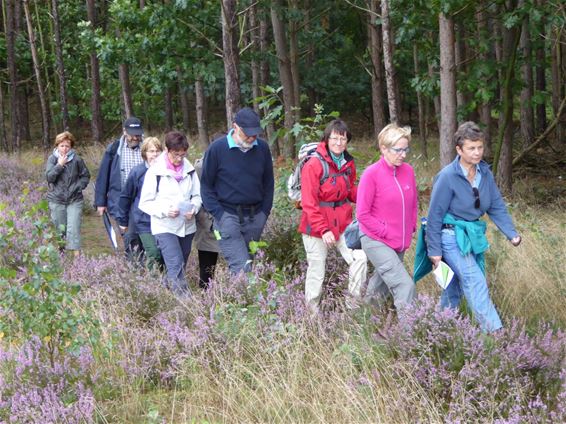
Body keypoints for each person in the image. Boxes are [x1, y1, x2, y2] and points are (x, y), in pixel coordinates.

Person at [426, 121, 521, 333]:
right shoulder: (448, 176)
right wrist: (434, 251)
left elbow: (496, 205)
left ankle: (437, 332)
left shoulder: (485, 173)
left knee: (453, 288)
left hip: (471, 236)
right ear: (459, 150)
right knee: (474, 280)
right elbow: (434, 216)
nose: (477, 152)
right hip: (450, 237)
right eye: (471, 148)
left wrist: (511, 234)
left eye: (480, 147)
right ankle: (495, 333)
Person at [298, 119, 367, 313]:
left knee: (359, 259)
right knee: (317, 272)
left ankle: (352, 308)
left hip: (344, 224)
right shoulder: (313, 165)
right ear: (327, 139)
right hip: (316, 228)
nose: (338, 143)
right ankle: (312, 316)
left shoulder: (347, 162)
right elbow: (309, 204)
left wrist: (368, 197)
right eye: (335, 138)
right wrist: (324, 229)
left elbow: (350, 190)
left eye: (343, 139)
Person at [200, 107, 274, 275]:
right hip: (227, 216)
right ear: (235, 127)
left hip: (255, 217)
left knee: (248, 262)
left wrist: (264, 213)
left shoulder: (262, 148)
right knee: (242, 267)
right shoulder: (217, 149)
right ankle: (247, 300)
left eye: (255, 133)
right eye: (247, 133)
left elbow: (268, 183)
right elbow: (206, 186)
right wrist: (220, 216)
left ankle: (237, 298)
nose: (252, 137)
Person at [357, 123, 418, 310]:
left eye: (405, 149)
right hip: (375, 239)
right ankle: (409, 335)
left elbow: (413, 203)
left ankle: (363, 323)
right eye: (398, 150)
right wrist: (385, 230)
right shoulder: (371, 174)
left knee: (380, 286)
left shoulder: (408, 171)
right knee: (405, 285)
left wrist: (411, 227)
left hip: (399, 240)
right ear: (383, 148)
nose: (403, 154)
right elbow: (362, 214)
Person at [138, 131, 201, 295]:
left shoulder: (190, 169)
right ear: (167, 150)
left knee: (180, 265)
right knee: (175, 263)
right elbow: (144, 203)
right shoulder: (154, 172)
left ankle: (164, 288)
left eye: (182, 154)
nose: (179, 158)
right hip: (164, 226)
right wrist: (165, 211)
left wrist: (194, 208)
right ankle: (184, 304)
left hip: (187, 225)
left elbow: (197, 196)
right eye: (175, 154)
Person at [94, 117, 144, 258]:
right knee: (128, 234)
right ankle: (134, 266)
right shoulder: (114, 149)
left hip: (144, 200)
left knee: (144, 235)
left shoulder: (149, 148)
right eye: (132, 134)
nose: (135, 137)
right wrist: (100, 202)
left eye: (138, 134)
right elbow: (103, 175)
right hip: (121, 200)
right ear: (124, 131)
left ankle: (141, 263)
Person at [117, 137, 164, 271]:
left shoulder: (166, 171)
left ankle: (161, 280)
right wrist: (123, 220)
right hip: (141, 218)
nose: (154, 155)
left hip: (162, 218)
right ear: (145, 154)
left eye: (157, 151)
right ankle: (145, 282)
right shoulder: (137, 172)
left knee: (161, 253)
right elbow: (126, 196)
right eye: (151, 151)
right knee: (146, 251)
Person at [45, 131, 91, 256]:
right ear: (57, 146)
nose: (64, 148)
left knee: (74, 228)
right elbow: (49, 178)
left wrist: (79, 187)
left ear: (71, 147)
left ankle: (78, 259)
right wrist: (59, 165)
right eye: (62, 145)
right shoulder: (52, 159)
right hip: (56, 199)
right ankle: (62, 252)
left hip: (74, 200)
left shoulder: (77, 159)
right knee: (61, 229)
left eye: (67, 146)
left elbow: (85, 176)